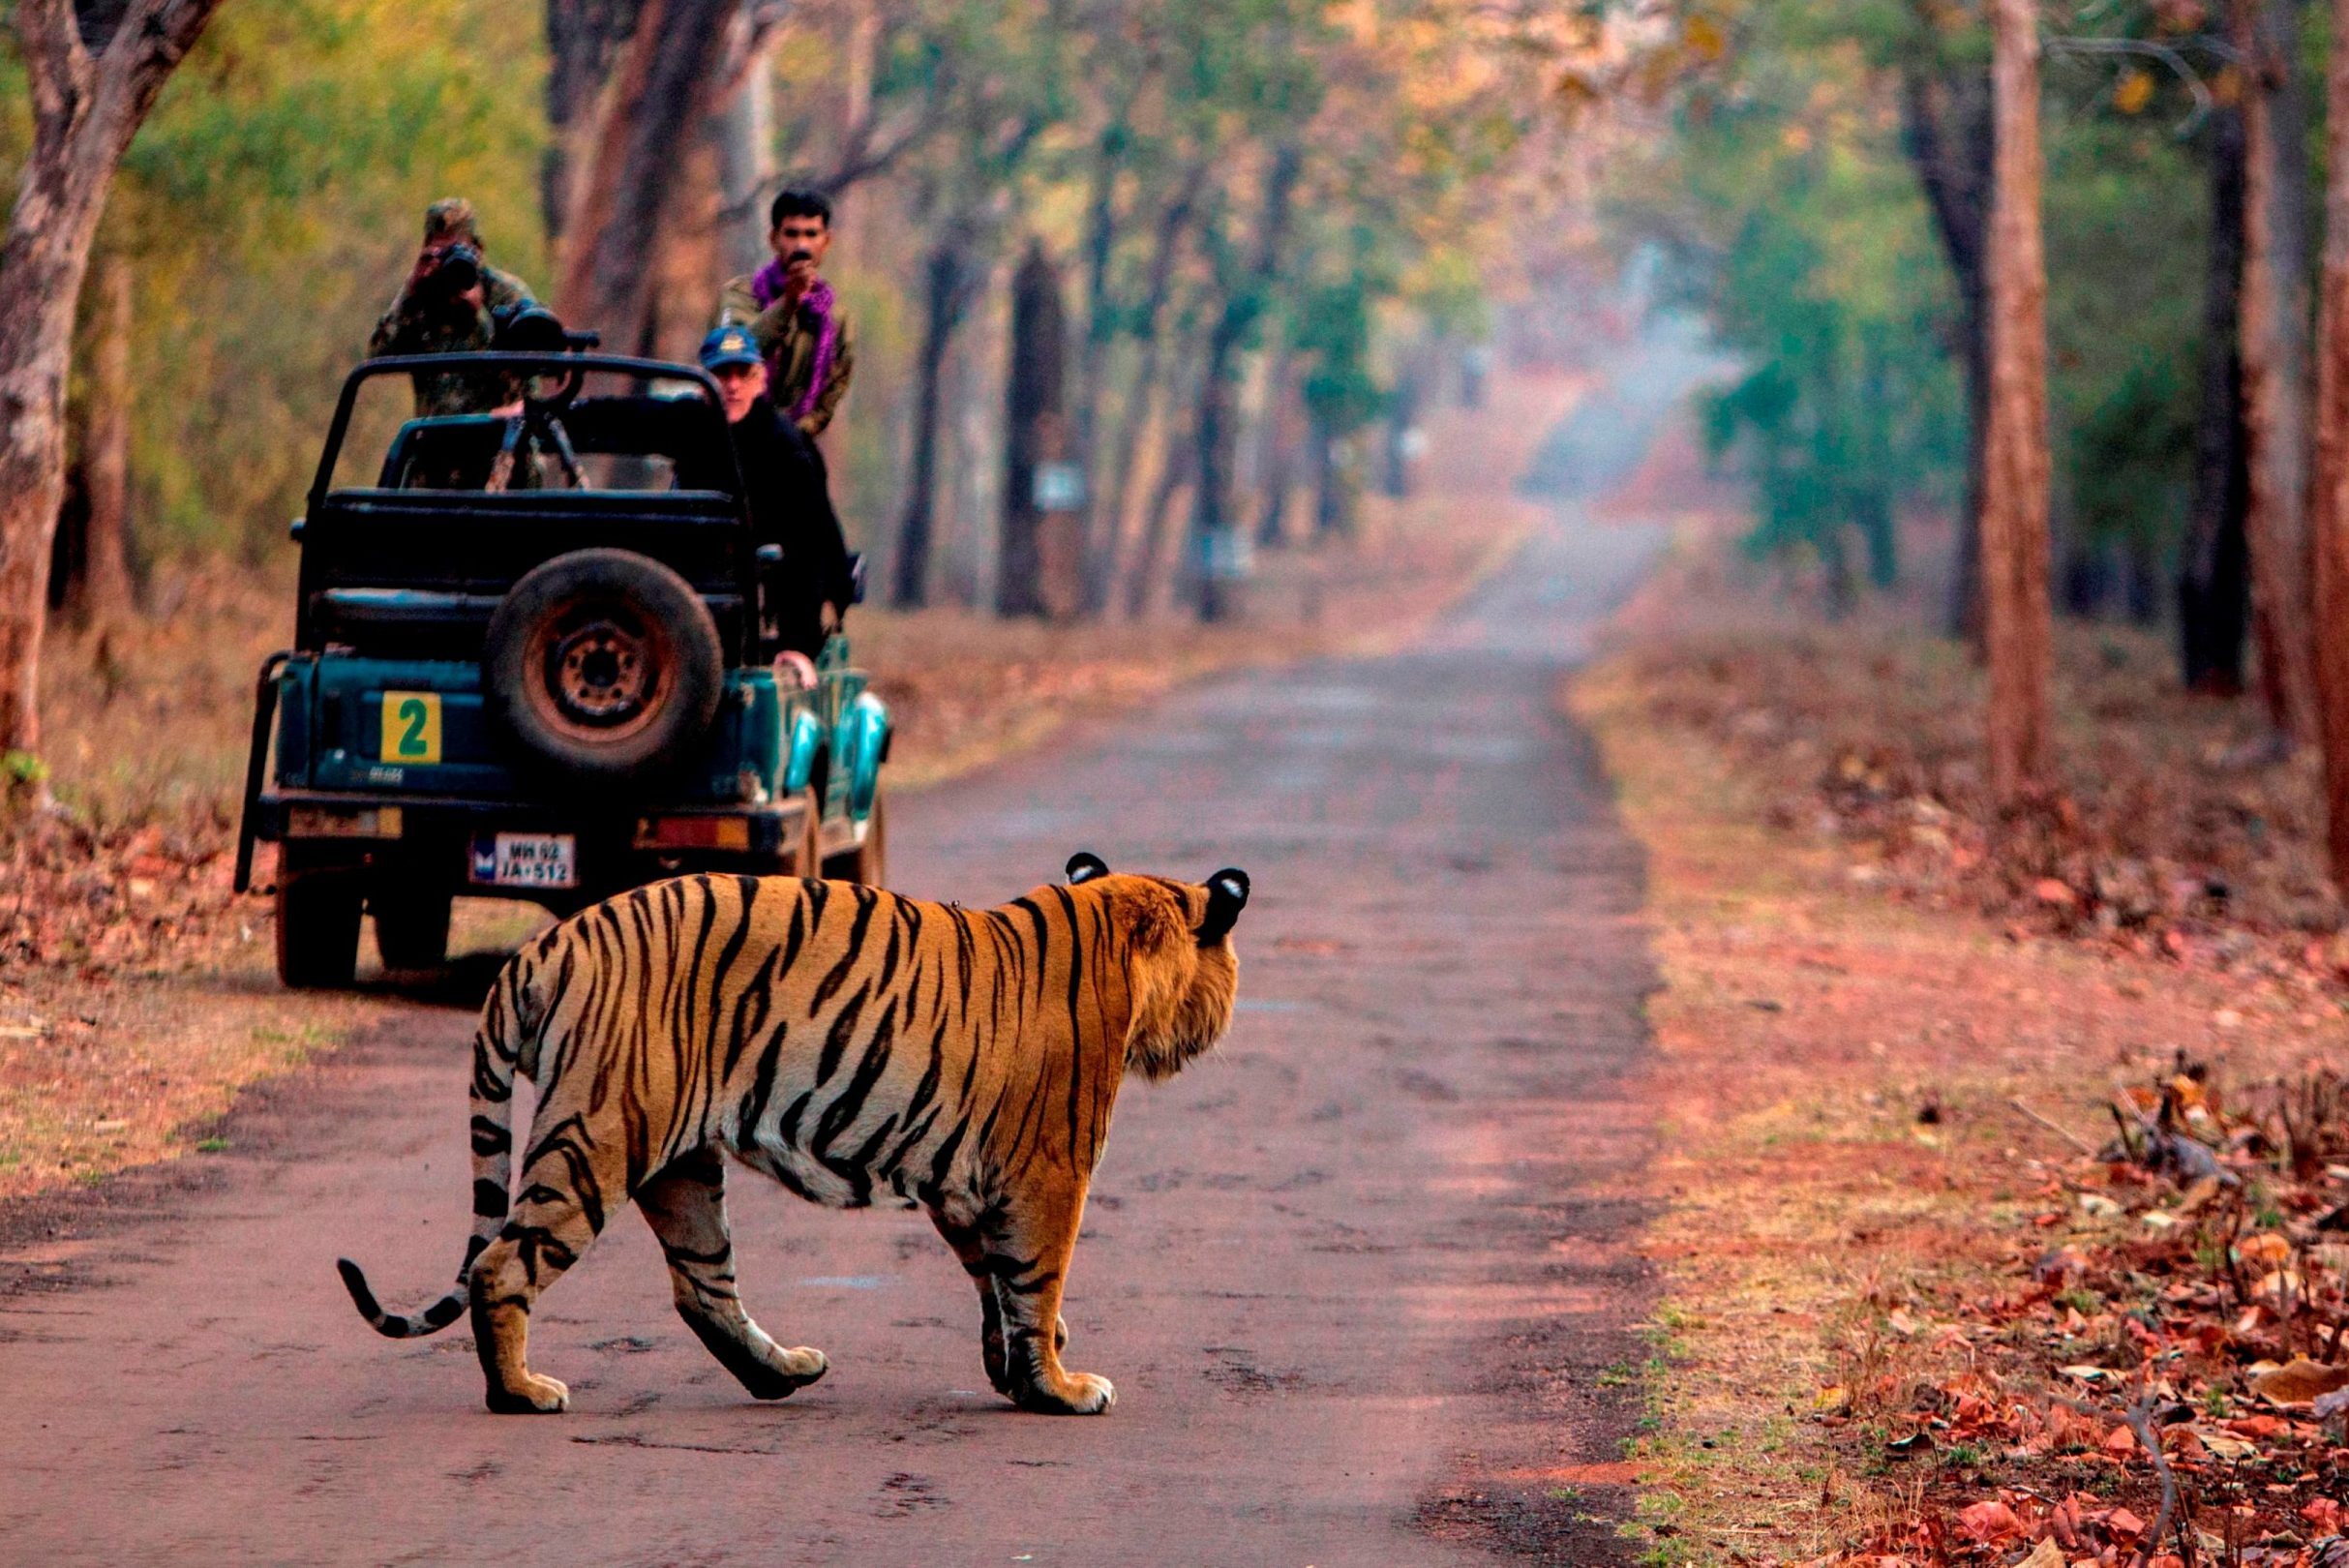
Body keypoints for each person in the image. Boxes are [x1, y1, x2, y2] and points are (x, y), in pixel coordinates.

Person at [697, 325, 855, 658]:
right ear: (704, 383)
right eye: (722, 374)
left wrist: (798, 645)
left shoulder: (786, 446)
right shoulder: (694, 423)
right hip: (702, 589)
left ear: (761, 381)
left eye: (743, 374)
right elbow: (634, 419)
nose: (733, 386)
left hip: (778, 580)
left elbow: (811, 545)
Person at [368, 198, 537, 417]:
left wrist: (478, 316)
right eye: (441, 252)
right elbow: (379, 354)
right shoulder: (422, 297)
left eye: (457, 251)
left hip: (500, 437)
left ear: (478, 249)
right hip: (435, 438)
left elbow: (525, 376)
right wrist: (411, 290)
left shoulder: (505, 294)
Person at [715, 188, 855, 437]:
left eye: (811, 234)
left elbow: (831, 393)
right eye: (791, 234)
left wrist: (788, 437)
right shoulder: (741, 295)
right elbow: (735, 354)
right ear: (774, 239)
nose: (801, 244)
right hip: (730, 436)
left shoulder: (835, 318)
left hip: (790, 448)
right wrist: (788, 303)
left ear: (826, 241)